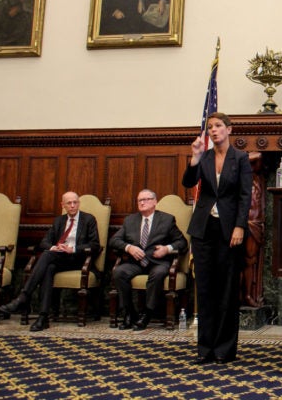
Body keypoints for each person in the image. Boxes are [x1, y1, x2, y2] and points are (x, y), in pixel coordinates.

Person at [182, 112, 252, 364]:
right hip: (203, 230)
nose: (213, 130)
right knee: (206, 289)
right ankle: (205, 348)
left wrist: (240, 226)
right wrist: (195, 157)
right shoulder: (205, 157)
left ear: (229, 129)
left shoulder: (241, 158)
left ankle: (224, 349)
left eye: (218, 126)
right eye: (210, 127)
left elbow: (245, 196)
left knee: (227, 289)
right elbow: (187, 182)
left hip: (229, 230)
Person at [0, 192, 99, 332]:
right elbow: (44, 242)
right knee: (49, 267)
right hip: (59, 258)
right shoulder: (59, 221)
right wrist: (55, 247)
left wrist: (73, 249)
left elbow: (95, 245)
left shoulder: (88, 219)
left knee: (46, 257)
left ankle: (24, 297)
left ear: (78, 203)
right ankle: (43, 317)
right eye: (69, 203)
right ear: (62, 205)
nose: (72, 205)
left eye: (75, 202)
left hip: (78, 260)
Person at [108, 189, 188, 331]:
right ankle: (129, 313)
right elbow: (114, 240)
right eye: (140, 200)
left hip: (158, 262)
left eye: (146, 199)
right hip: (136, 263)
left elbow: (182, 243)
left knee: (157, 275)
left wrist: (167, 249)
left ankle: (146, 313)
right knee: (119, 272)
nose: (142, 202)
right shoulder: (130, 220)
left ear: (155, 202)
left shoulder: (167, 220)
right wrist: (128, 248)